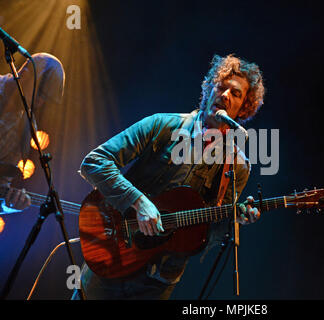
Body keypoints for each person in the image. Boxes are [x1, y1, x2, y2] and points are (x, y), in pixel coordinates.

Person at [76, 54, 265, 300]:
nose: (226, 95)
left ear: (244, 108)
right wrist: (138, 201)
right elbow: (94, 162)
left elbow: (208, 237)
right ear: (209, 89)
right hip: (112, 256)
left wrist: (234, 219)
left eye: (236, 93)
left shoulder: (238, 165)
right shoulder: (163, 125)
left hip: (158, 280)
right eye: (221, 87)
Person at [0, 53, 65, 214]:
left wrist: (9, 206)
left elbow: (2, 186)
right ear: (25, 73)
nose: (40, 102)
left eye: (44, 98)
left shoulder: (26, 127)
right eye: (40, 92)